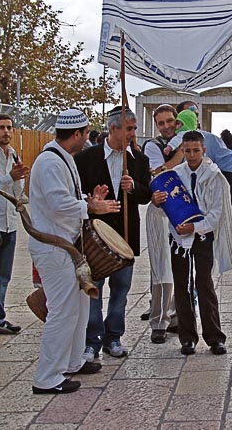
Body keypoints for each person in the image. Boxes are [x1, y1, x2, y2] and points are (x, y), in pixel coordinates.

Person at [29, 108, 121, 394]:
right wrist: (90, 207)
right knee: (62, 310)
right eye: (85, 134)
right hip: (53, 246)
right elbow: (57, 203)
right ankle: (47, 377)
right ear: (78, 133)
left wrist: (88, 199)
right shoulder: (49, 162)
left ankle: (71, 361)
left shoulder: (62, 157)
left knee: (80, 305)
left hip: (67, 246)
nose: (86, 139)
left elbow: (67, 197)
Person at [75, 106, 151, 361]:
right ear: (113, 129)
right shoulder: (87, 159)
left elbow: (147, 195)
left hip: (126, 237)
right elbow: (76, 196)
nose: (133, 133)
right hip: (95, 239)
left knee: (121, 289)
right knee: (94, 289)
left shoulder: (139, 160)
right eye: (129, 129)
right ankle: (91, 340)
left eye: (134, 128)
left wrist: (135, 187)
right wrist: (91, 200)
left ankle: (114, 336)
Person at [152, 131, 232, 356]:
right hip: (179, 238)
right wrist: (157, 202)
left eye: (196, 150)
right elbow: (167, 206)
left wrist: (196, 227)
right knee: (182, 286)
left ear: (203, 150)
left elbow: (216, 212)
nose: (191, 155)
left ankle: (215, 337)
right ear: (182, 151)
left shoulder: (214, 175)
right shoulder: (174, 175)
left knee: (204, 283)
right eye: (187, 151)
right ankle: (187, 338)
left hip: (203, 236)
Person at [143, 104, 184, 344]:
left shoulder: (186, 140)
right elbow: (161, 173)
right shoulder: (153, 146)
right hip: (160, 210)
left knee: (182, 265)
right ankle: (159, 321)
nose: (167, 126)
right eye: (161, 123)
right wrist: (180, 155)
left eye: (170, 121)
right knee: (161, 267)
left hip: (183, 209)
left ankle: (178, 316)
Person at [0, 113, 30, 334]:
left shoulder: (13, 154)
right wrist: (10, 176)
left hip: (9, 222)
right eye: (1, 128)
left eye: (9, 127)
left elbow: (16, 192)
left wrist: (20, 177)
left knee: (4, 275)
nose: (6, 132)